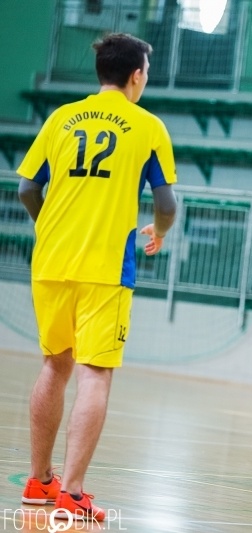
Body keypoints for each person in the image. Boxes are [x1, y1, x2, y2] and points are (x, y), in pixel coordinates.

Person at [17, 33, 177, 522]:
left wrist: (49, 226)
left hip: (51, 261)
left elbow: (26, 187)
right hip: (105, 267)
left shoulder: (61, 117)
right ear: (136, 75)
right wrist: (161, 231)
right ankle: (74, 491)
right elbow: (166, 203)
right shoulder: (147, 126)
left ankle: (40, 481)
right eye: (146, 71)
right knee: (95, 373)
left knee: (53, 365)